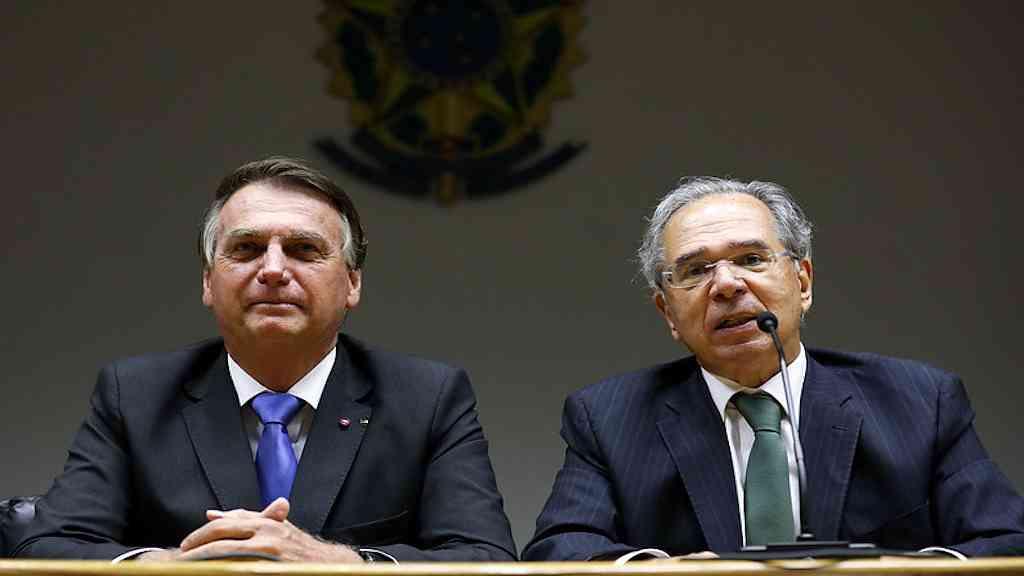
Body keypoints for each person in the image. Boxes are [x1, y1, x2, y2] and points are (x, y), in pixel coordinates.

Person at [13, 157, 516, 562]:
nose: (273, 269)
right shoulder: (136, 395)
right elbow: (47, 548)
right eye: (247, 248)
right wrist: (168, 565)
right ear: (208, 281)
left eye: (303, 249)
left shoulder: (428, 398)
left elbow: (487, 558)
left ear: (352, 283)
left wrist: (343, 563)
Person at [523, 177, 1024, 561]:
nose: (726, 285)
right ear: (668, 313)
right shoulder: (609, 418)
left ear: (802, 282)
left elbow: (1006, 540)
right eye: (696, 271)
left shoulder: (919, 401)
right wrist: (666, 574)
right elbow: (559, 551)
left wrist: (892, 572)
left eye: (751, 258)